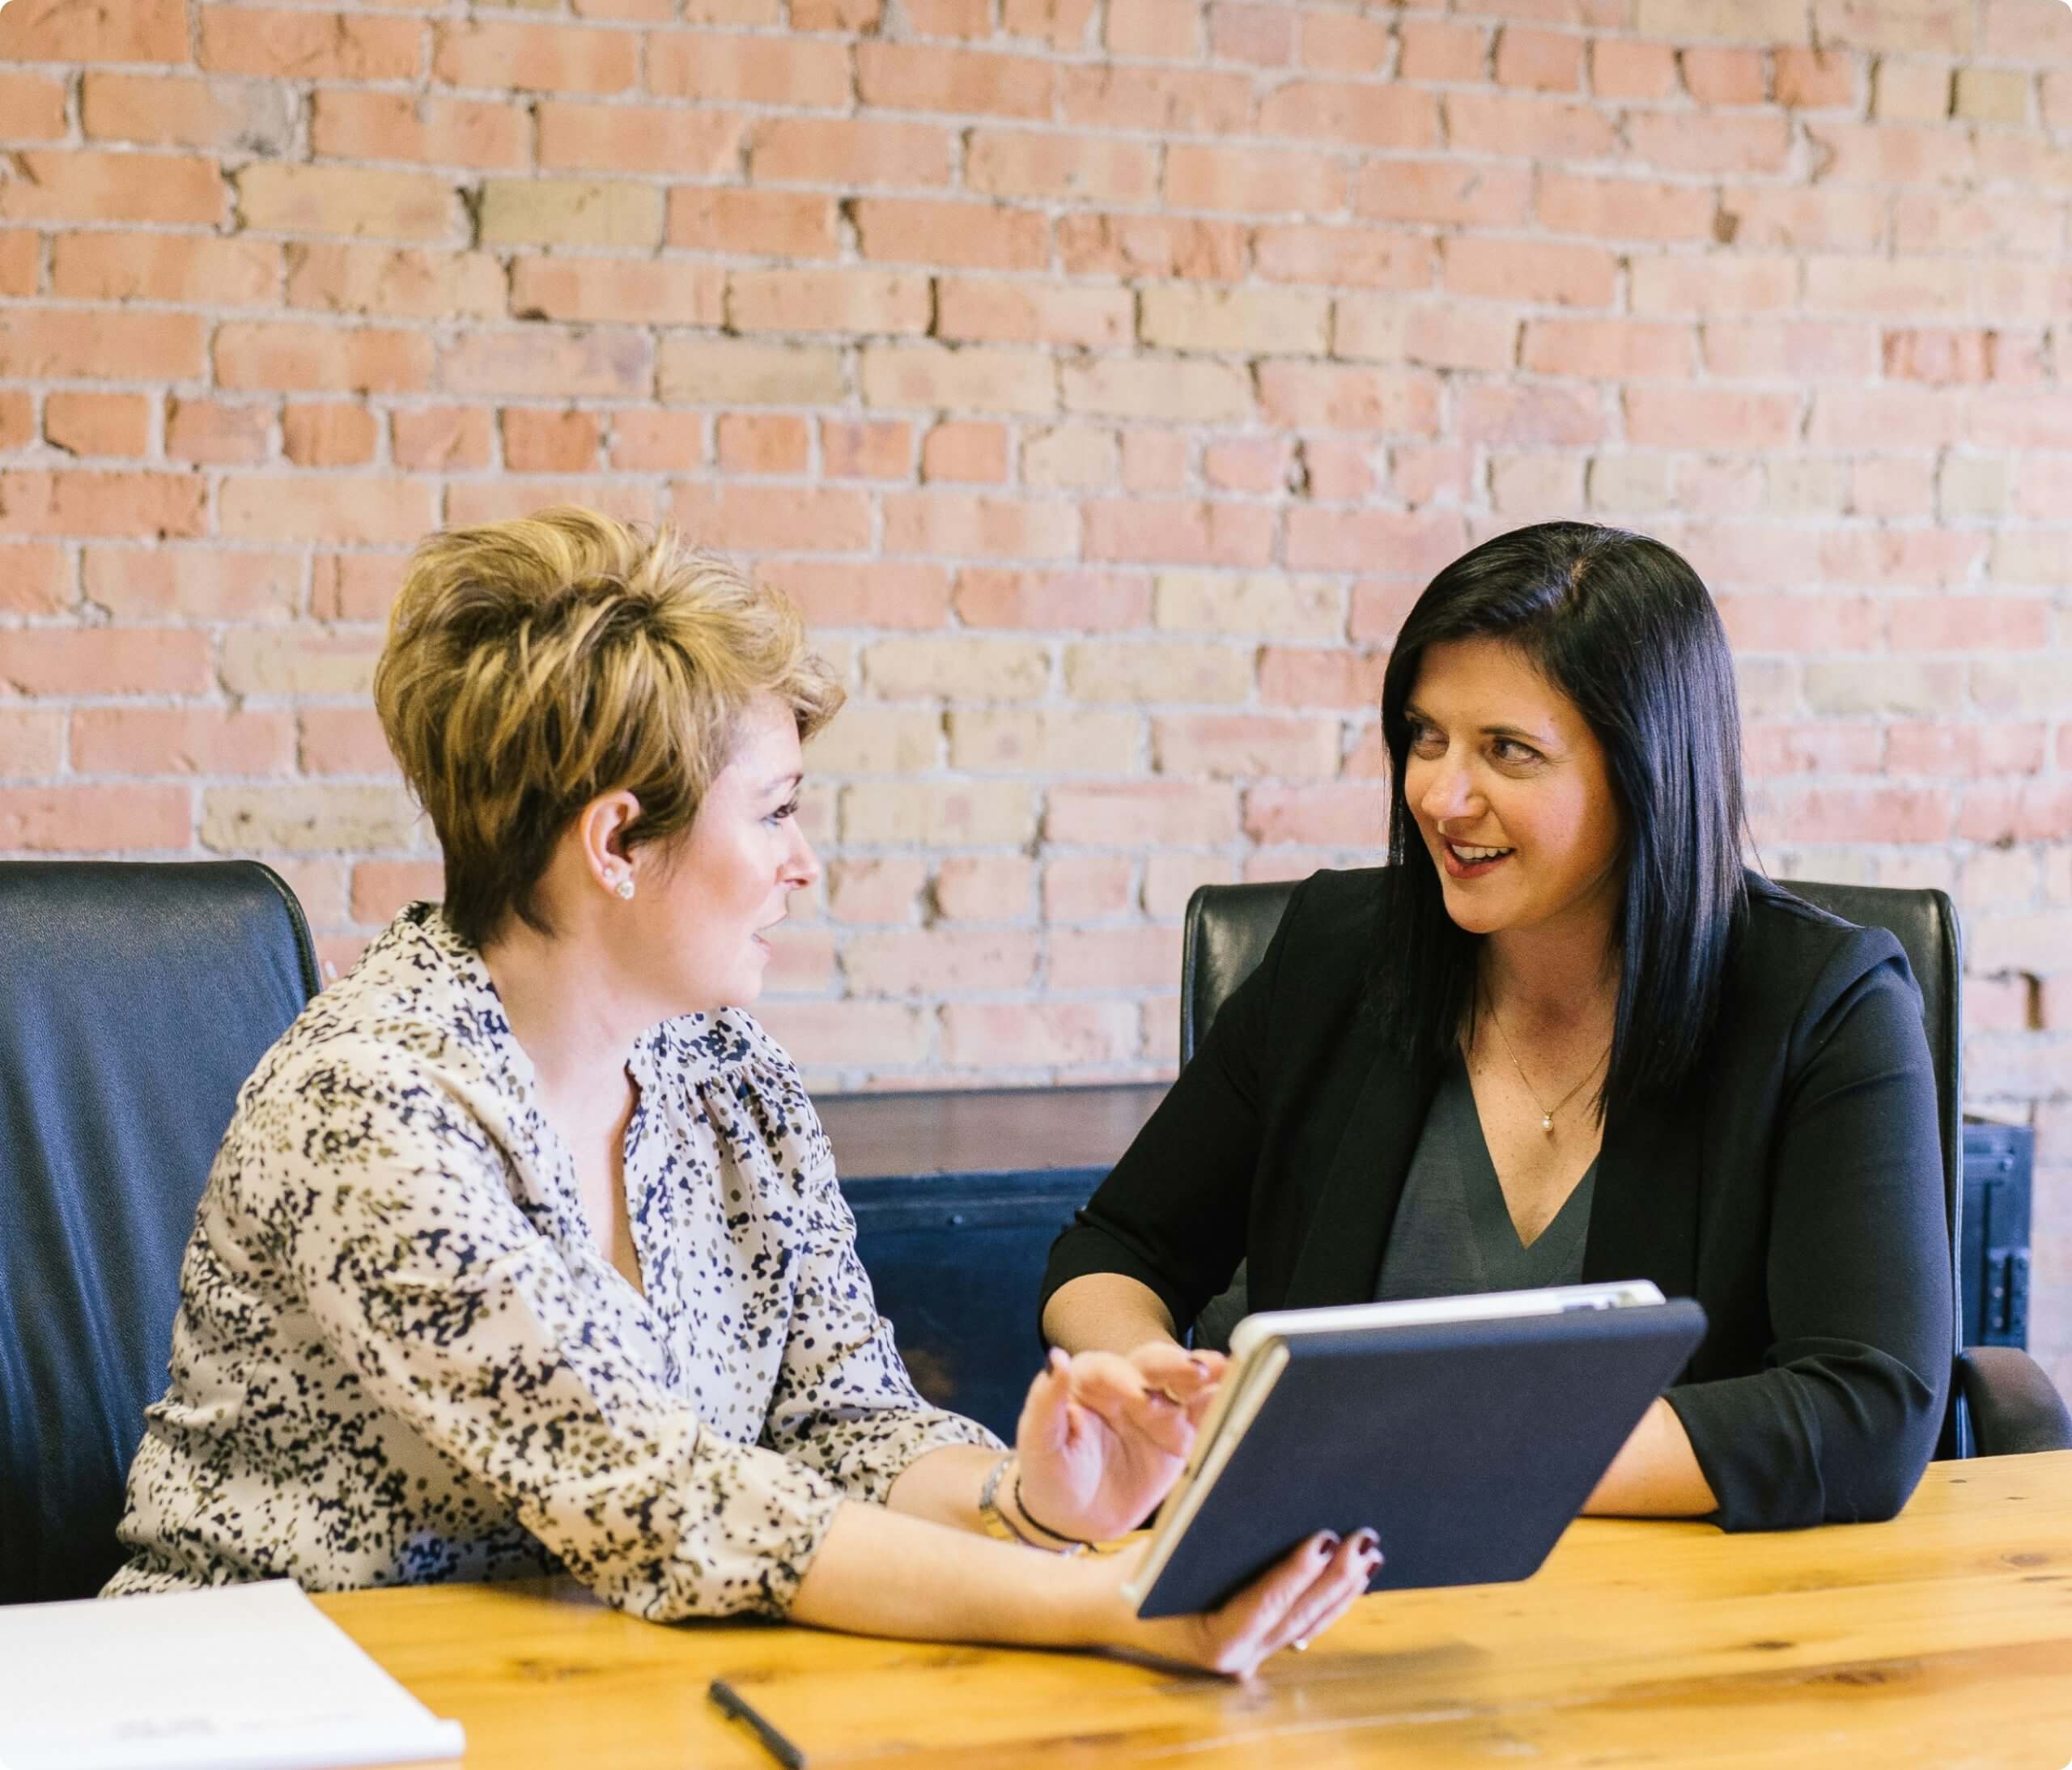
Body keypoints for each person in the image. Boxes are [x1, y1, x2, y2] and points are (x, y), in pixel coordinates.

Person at [104, 508, 1378, 1673]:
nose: (804, 863)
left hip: (590, 1683)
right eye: (774, 811)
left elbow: (844, 1420)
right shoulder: (371, 1104)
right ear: (617, 841)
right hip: (264, 1696)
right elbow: (664, 1495)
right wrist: (1110, 1603)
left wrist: (1034, 1502)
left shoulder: (727, 1072)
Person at [1041, 521, 1952, 1533]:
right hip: (1324, 1598)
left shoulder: (1826, 1004)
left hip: (1676, 1615)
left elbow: (1866, 1408)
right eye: (1425, 738)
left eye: (1508, 751)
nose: (1440, 794)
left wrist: (1422, 1455)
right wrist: (1144, 1379)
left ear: (1646, 769)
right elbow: (1115, 1249)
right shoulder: (1337, 955)